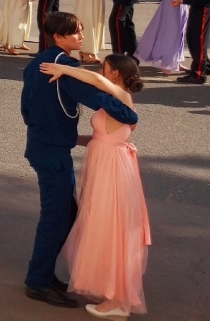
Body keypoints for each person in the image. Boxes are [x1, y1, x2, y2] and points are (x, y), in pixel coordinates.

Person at [20, 12, 139, 309]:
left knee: (66, 212)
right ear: (58, 36)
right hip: (53, 152)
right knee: (56, 216)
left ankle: (43, 274)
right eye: (75, 32)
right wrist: (127, 111)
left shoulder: (37, 62)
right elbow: (101, 99)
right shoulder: (65, 67)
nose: (81, 37)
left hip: (43, 144)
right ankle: (38, 281)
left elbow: (26, 107)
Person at [38, 56, 152, 318]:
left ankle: (118, 300)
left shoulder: (121, 96)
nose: (100, 71)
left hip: (111, 171)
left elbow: (96, 80)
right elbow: (103, 137)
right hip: (107, 166)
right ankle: (113, 292)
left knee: (109, 228)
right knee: (106, 227)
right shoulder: (116, 101)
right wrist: (71, 139)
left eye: (104, 68)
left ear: (115, 74)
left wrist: (63, 69)